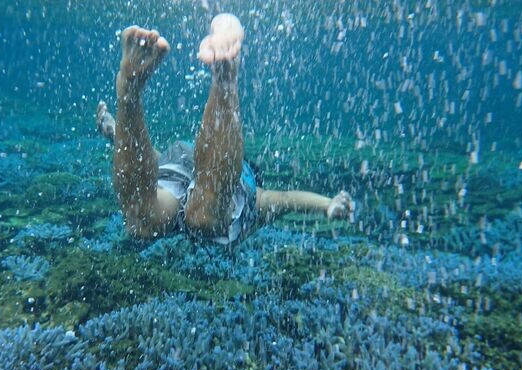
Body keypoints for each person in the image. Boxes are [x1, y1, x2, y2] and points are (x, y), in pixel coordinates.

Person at [97, 13, 353, 245]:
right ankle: (224, 74)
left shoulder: (249, 193)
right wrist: (327, 204)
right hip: (181, 162)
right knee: (205, 219)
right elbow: (288, 199)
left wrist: (116, 128)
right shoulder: (256, 200)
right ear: (245, 171)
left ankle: (129, 94)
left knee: (142, 220)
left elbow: (151, 158)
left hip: (177, 160)